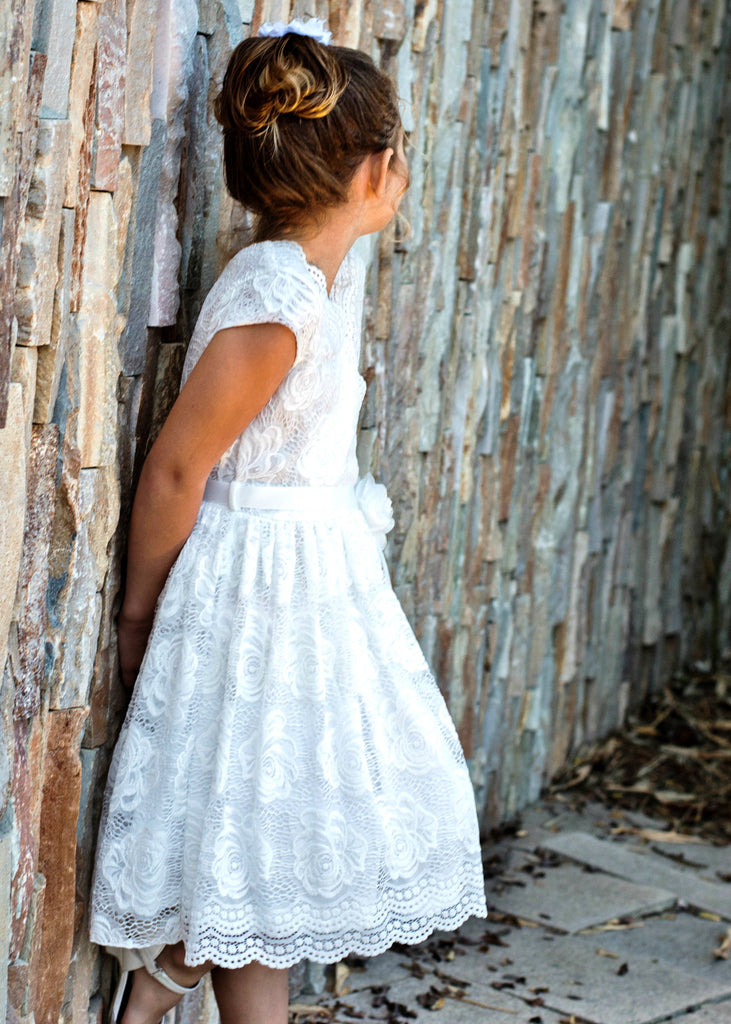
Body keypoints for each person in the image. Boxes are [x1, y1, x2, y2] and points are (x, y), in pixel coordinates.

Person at [89, 18, 487, 1024]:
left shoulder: (318, 269)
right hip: (256, 591)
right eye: (391, 157)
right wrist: (142, 618)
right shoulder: (275, 301)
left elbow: (332, 270)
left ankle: (161, 985)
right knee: (248, 823)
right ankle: (162, 983)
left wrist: (351, 218)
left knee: (267, 836)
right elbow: (179, 466)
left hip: (315, 587)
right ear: (366, 171)